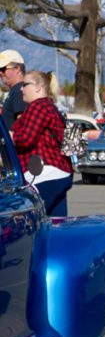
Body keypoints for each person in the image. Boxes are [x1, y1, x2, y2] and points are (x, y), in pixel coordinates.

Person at [10, 70, 73, 215]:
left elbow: (25, 139)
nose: (21, 89)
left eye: (25, 85)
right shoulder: (49, 107)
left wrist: (10, 135)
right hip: (59, 174)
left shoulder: (38, 106)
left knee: (25, 219)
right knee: (56, 224)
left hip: (44, 176)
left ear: (38, 87)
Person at [0, 49, 28, 129]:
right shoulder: (16, 90)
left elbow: (23, 127)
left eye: (3, 69)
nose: (0, 73)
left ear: (17, 68)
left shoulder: (20, 91)